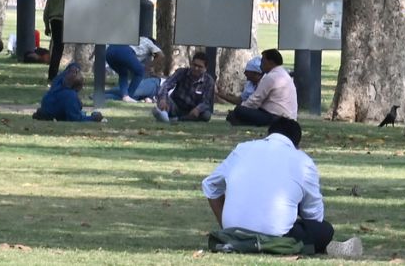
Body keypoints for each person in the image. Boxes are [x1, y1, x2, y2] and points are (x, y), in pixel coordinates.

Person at [202, 119, 362, 257]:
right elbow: (314, 217)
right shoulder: (303, 161)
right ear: (297, 144)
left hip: (233, 234)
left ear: (269, 134)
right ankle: (320, 248)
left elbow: (210, 185)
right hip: (277, 236)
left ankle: (246, 241)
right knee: (325, 230)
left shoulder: (242, 149)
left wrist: (226, 225)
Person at [226, 49, 297, 126]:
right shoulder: (283, 74)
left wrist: (242, 108)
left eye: (263, 61)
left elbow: (255, 100)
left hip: (276, 117)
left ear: (270, 62)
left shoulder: (271, 77)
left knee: (239, 110)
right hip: (288, 117)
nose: (260, 65)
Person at [153, 51, 216, 122]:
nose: (196, 68)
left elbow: (207, 101)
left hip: (193, 110)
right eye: (194, 65)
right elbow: (166, 85)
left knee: (206, 115)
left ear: (205, 68)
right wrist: (163, 99)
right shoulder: (181, 72)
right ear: (191, 64)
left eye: (200, 67)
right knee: (163, 98)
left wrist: (198, 109)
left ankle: (176, 119)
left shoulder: (209, 81)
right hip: (176, 106)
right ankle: (163, 114)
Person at [33, 62, 105, 122]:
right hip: (53, 112)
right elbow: (75, 119)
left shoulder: (57, 84)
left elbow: (72, 67)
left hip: (49, 107)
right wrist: (93, 118)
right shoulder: (70, 95)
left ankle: (45, 114)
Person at [105, 36, 162, 102]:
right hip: (124, 51)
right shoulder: (150, 43)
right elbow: (161, 55)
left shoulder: (139, 39)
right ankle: (129, 95)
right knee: (140, 72)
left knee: (123, 74)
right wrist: (149, 66)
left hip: (109, 51)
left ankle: (124, 96)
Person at [43, 0, 68, 82]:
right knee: (59, 48)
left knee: (56, 46)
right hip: (63, 20)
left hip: (53, 20)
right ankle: (53, 74)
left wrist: (46, 25)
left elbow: (47, 8)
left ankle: (52, 73)